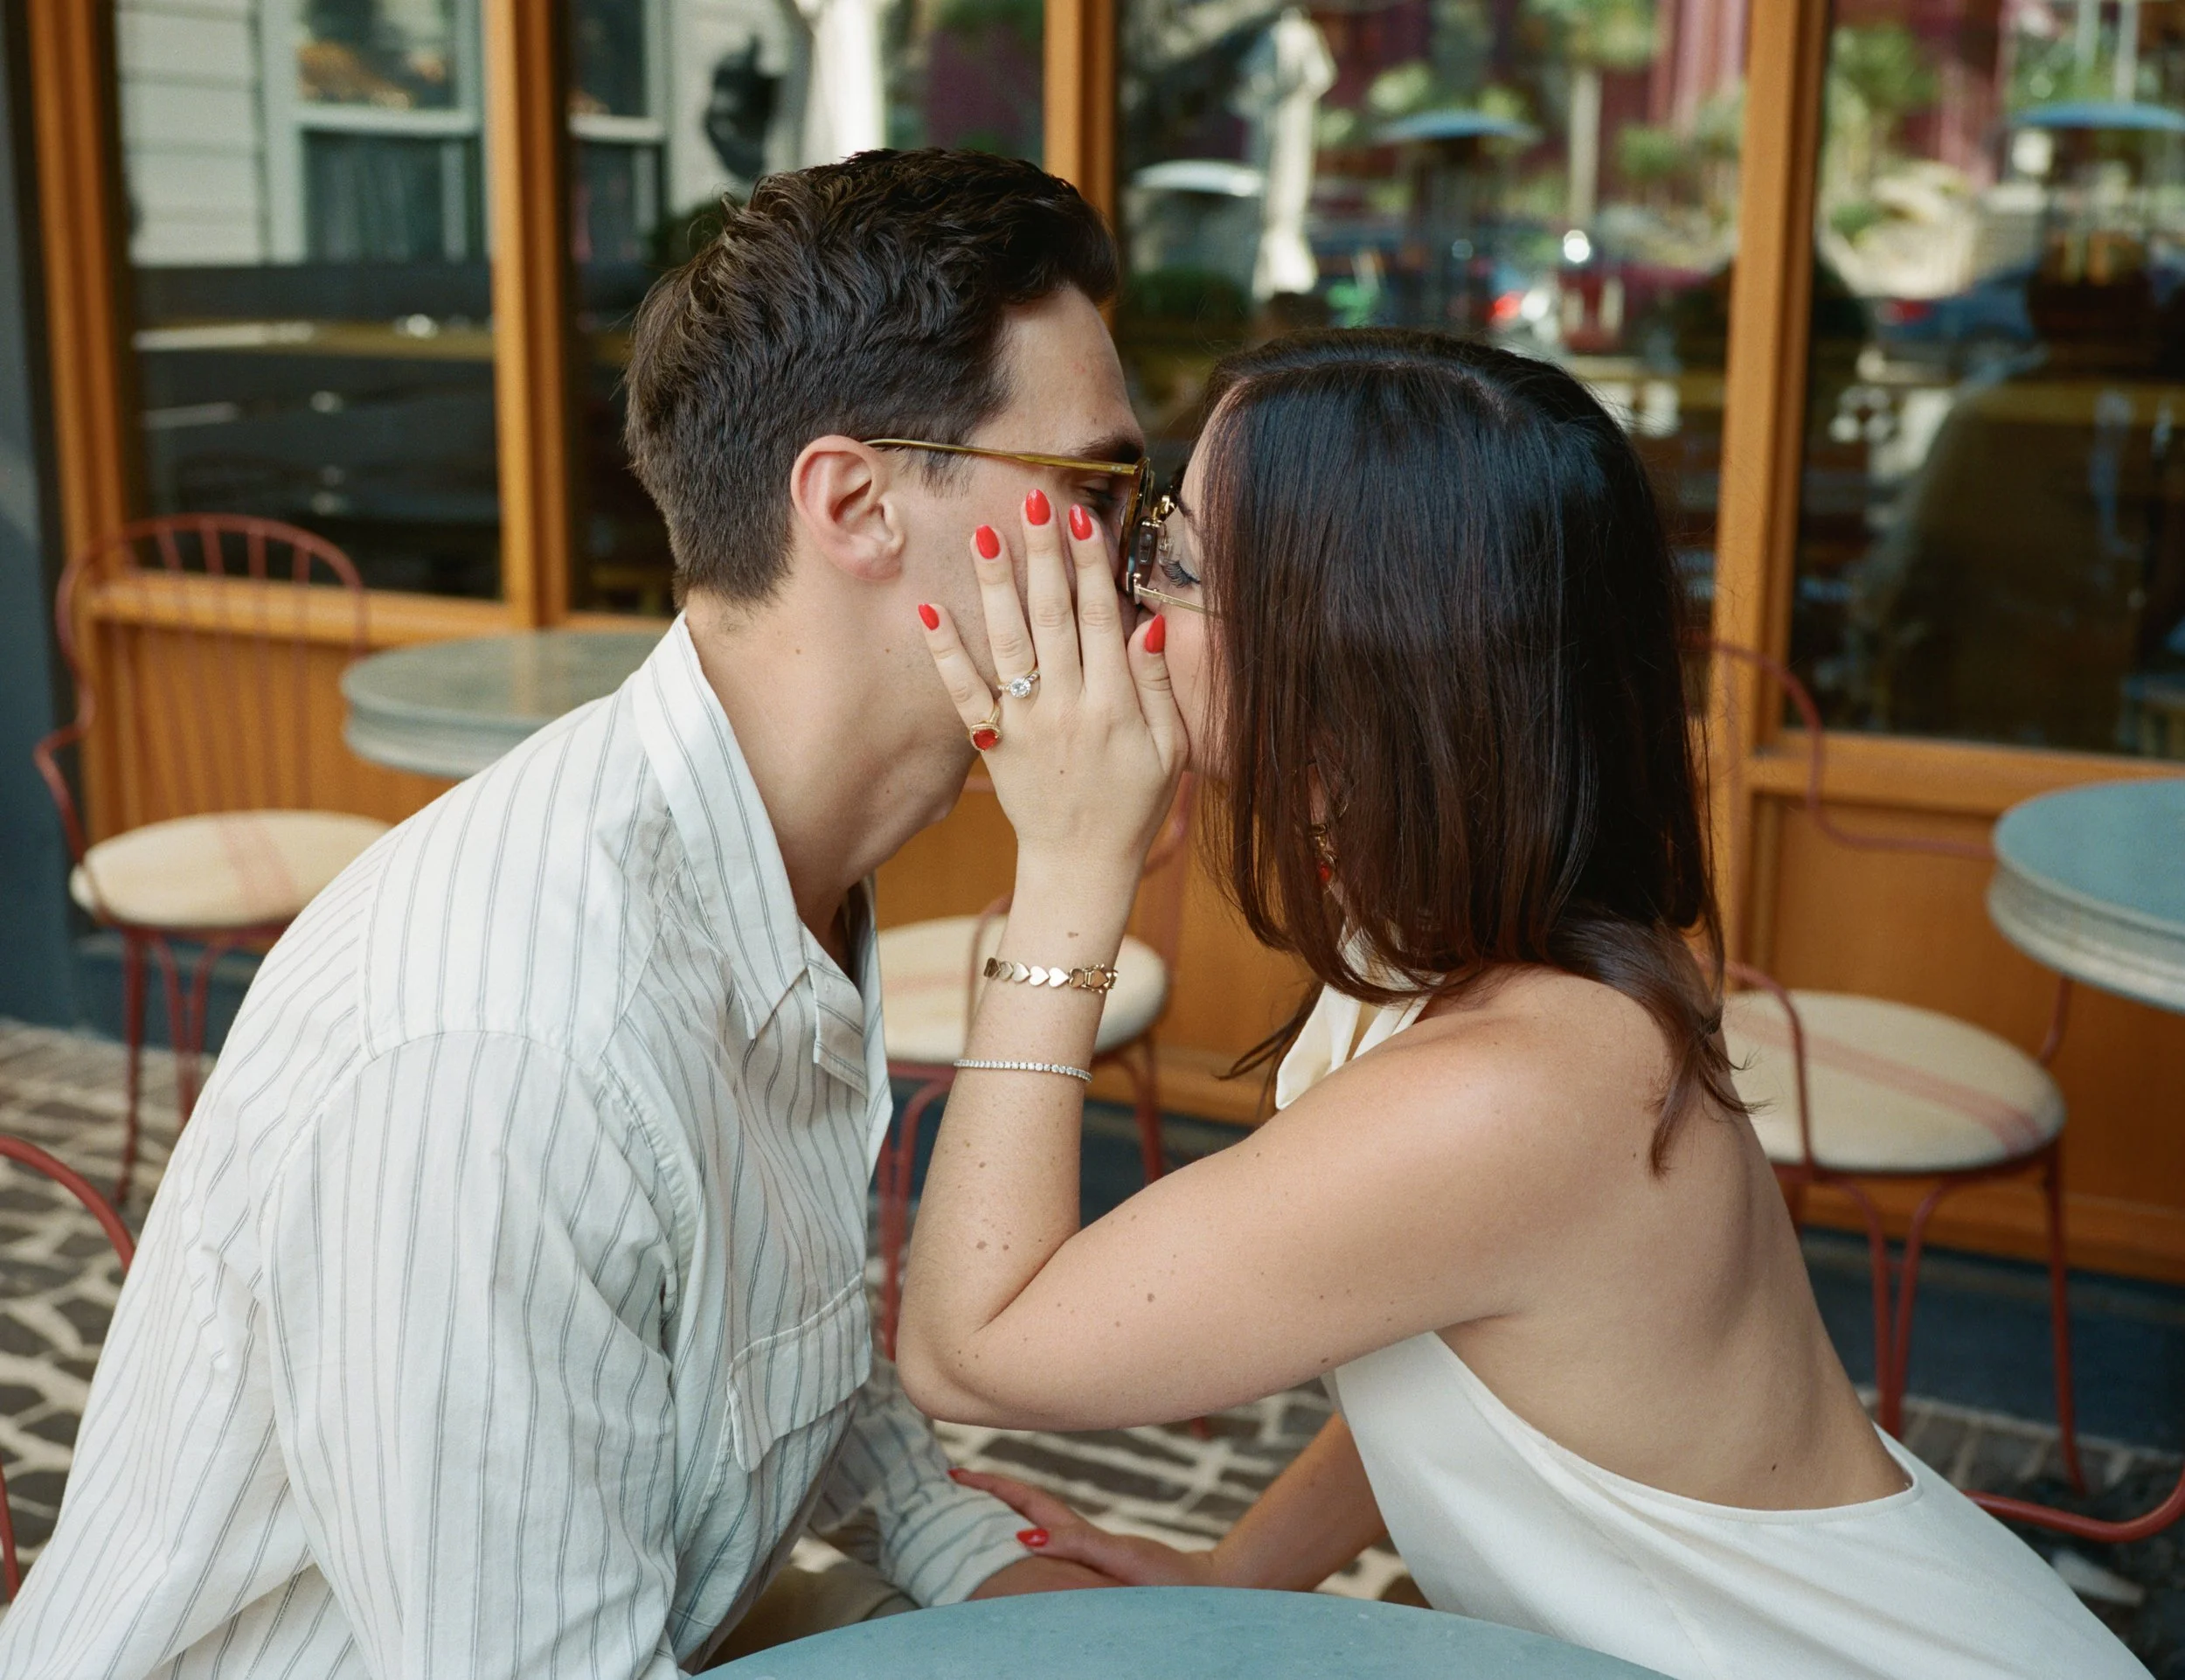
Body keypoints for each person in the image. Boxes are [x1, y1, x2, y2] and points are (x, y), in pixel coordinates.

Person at [0, 149, 1149, 1678]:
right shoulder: (505, 1049)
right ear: (857, 501)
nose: (1132, 568)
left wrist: (959, 1551)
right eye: (1094, 490)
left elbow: (764, 1337)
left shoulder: (779, 868)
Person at [894, 328, 2150, 1678]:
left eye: (1184, 564)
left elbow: (973, 1350)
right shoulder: (1456, 944)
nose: (1136, 606)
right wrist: (1234, 1568)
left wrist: (1070, 864)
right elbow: (1438, 1324)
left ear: (1364, 650)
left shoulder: (1520, 1081)